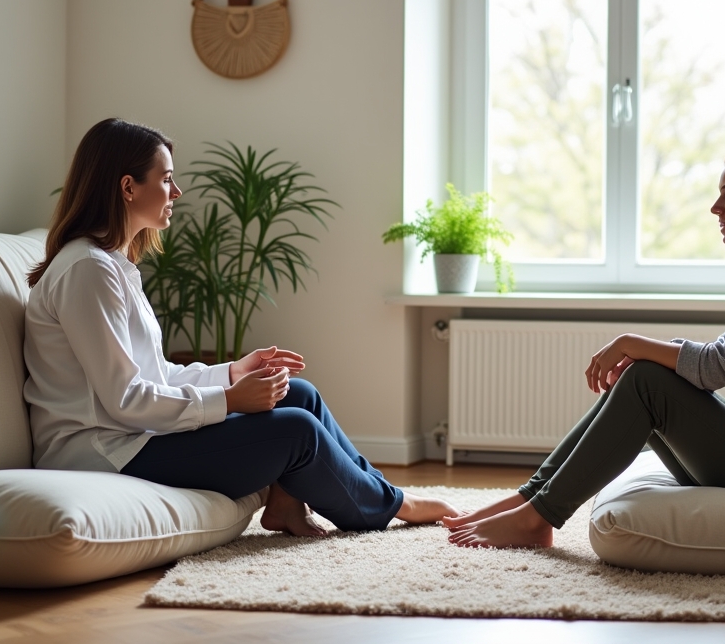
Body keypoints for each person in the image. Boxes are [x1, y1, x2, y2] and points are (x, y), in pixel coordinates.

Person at [444, 123, 725, 548]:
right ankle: (532, 500)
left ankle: (538, 516)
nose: (715, 208)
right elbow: (717, 357)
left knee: (648, 381)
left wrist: (633, 343)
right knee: (647, 376)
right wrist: (648, 354)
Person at [23, 118, 456, 535]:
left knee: (297, 393)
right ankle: (395, 506)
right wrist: (229, 400)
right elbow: (125, 400)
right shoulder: (88, 271)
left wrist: (234, 372)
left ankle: (291, 503)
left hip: (132, 437)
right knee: (297, 432)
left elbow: (153, 376)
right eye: (167, 178)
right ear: (128, 186)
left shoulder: (112, 267)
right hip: (104, 453)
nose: (177, 190)